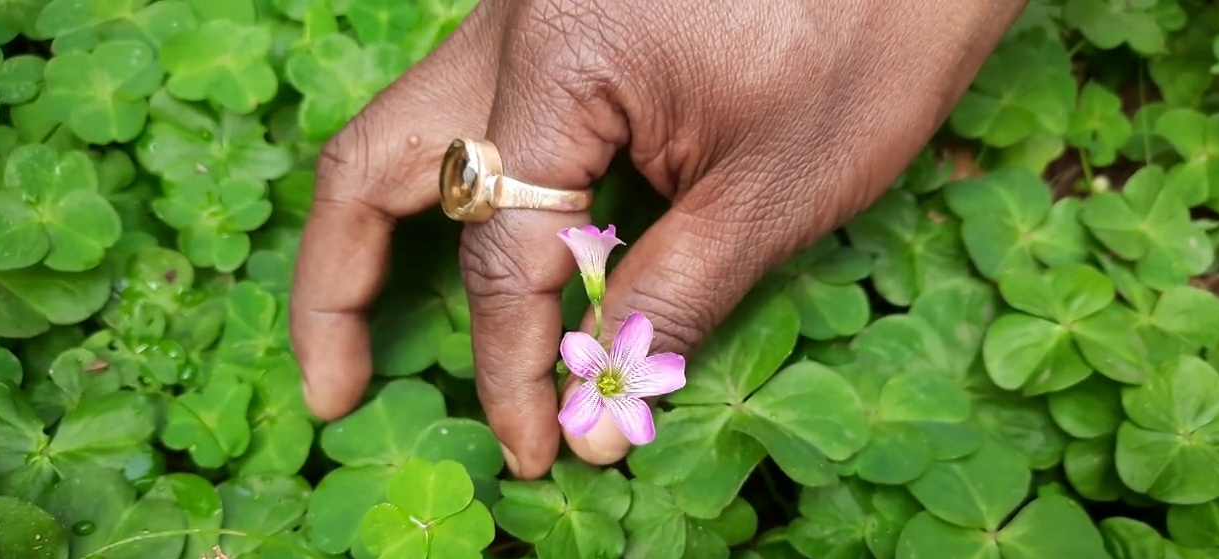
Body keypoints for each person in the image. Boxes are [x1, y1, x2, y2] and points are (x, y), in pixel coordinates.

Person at [288, 0, 1028, 480]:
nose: (606, 384)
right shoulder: (594, 361)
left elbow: (629, 358)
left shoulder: (616, 370)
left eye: (609, 382)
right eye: (610, 383)